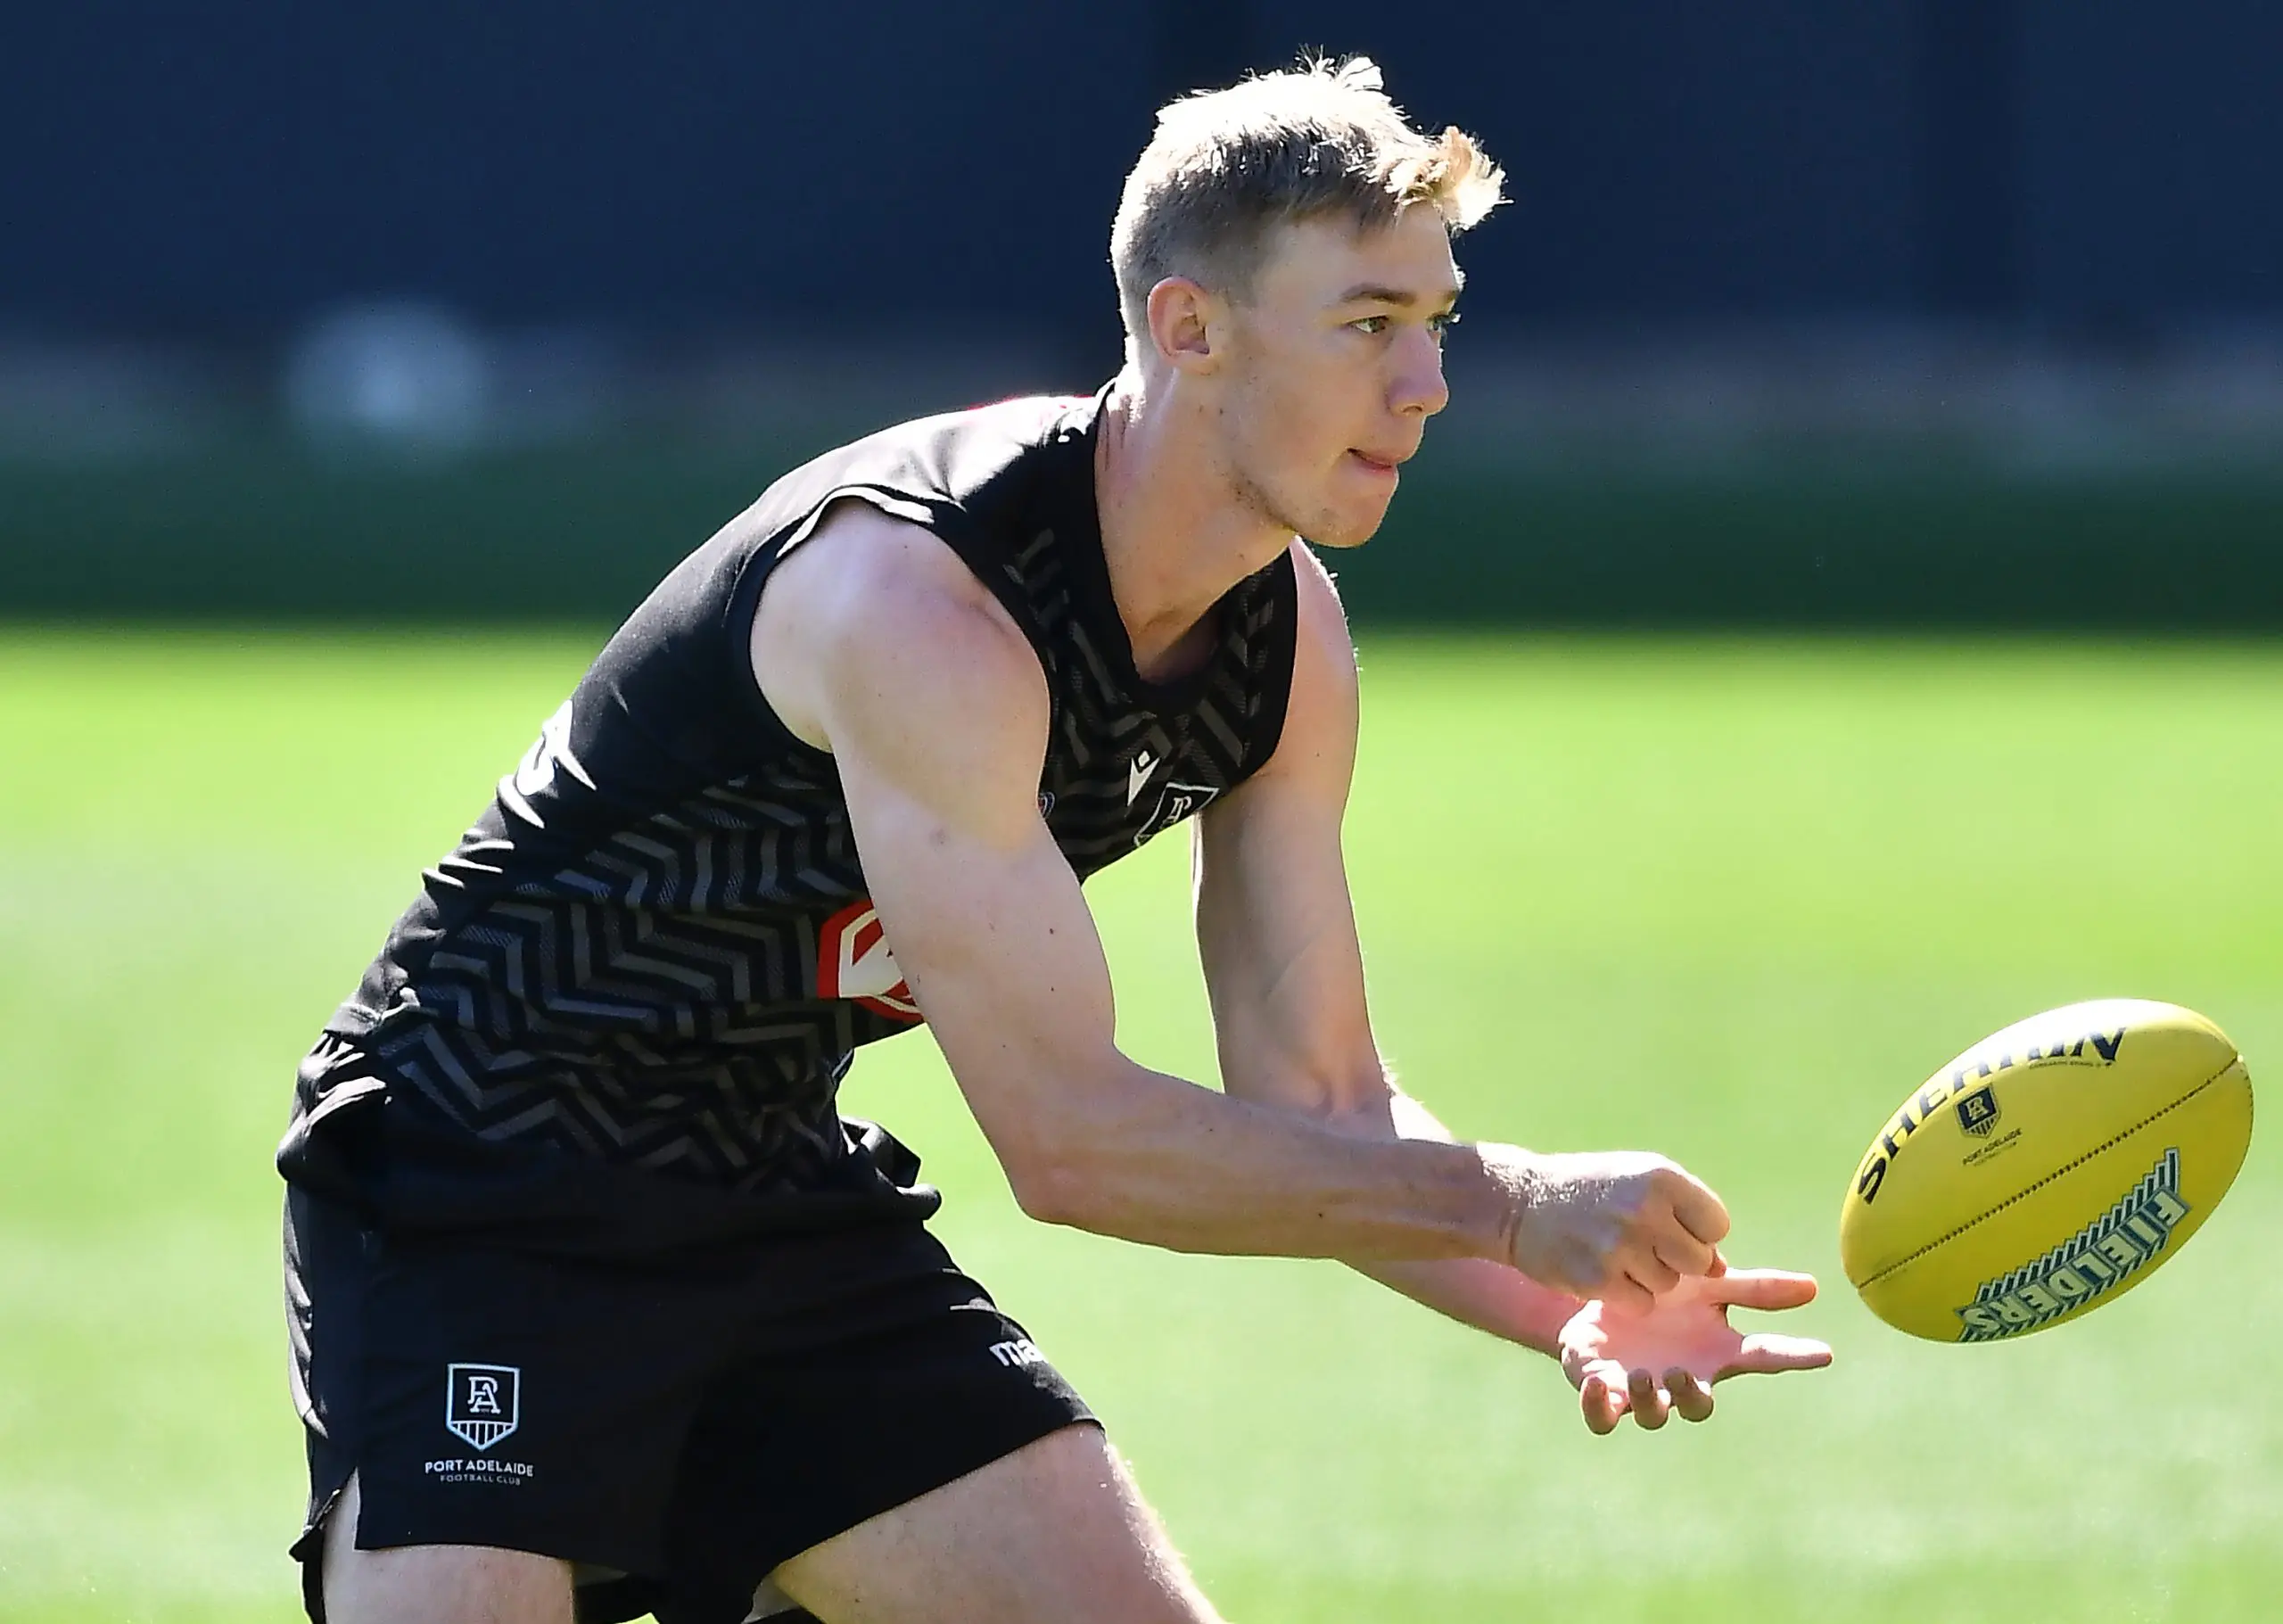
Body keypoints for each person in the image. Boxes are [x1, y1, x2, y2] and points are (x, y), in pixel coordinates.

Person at [278, 54, 1833, 1624]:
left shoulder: (1285, 640)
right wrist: (1507, 1200)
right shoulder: (916, 604)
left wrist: (1560, 1295)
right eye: (1369, 325)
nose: (1423, 385)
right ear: (1190, 328)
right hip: (476, 1178)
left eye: (1436, 325)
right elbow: (1070, 1141)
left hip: (764, 1185)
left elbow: (1320, 1099)